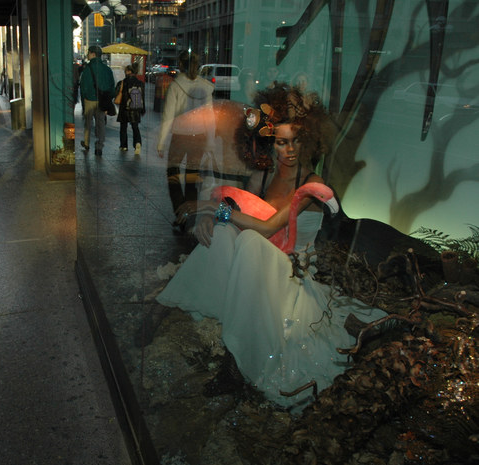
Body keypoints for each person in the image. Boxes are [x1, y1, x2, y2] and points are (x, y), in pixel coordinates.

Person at [157, 83, 386, 409]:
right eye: (281, 142)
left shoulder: (312, 186)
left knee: (249, 240)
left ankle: (237, 361)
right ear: (271, 143)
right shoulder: (261, 179)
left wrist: (215, 211)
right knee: (226, 235)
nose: (289, 150)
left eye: (296, 142)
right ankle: (209, 307)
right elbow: (240, 212)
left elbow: (266, 227)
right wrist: (214, 219)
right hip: (260, 260)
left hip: (292, 271)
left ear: (307, 143)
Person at [156, 50, 215, 231]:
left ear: (180, 65)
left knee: (173, 174)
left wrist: (161, 142)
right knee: (192, 178)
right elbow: (210, 116)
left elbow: (168, 116)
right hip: (200, 137)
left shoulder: (176, 86)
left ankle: (180, 213)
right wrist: (210, 141)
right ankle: (189, 214)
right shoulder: (205, 86)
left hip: (180, 136)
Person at [79, 45, 114, 156]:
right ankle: (99, 147)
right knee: (101, 123)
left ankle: (86, 143)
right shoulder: (107, 69)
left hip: (89, 99)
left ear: (93, 54)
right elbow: (112, 86)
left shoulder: (87, 69)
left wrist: (84, 98)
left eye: (88, 53)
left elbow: (83, 86)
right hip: (102, 100)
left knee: (88, 123)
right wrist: (108, 99)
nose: (87, 55)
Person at [115, 63, 145, 155]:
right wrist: (143, 109)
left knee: (123, 127)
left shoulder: (123, 82)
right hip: (135, 108)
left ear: (129, 72)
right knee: (135, 127)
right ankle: (137, 143)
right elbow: (142, 97)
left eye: (125, 71)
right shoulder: (140, 83)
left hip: (125, 108)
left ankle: (124, 146)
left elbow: (116, 94)